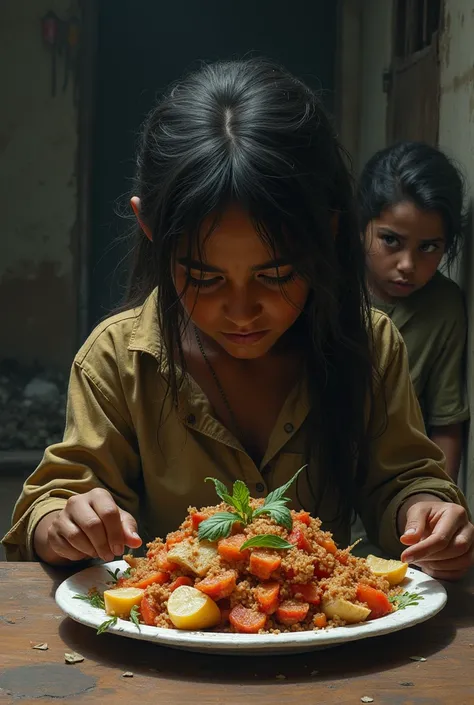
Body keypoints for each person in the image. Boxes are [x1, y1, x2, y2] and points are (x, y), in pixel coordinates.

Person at [3, 60, 473, 581]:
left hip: (320, 641)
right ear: (150, 228)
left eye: (275, 275)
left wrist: (425, 511)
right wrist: (64, 523)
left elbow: (402, 478)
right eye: (204, 278)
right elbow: (57, 499)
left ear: (330, 229)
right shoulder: (117, 361)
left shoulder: (370, 345)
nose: (243, 310)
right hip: (160, 650)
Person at [360, 142, 469, 482]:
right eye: (391, 240)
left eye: (429, 247)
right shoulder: (324, 285)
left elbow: (446, 422)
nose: (408, 265)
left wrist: (440, 502)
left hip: (396, 491)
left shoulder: (443, 307)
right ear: (360, 226)